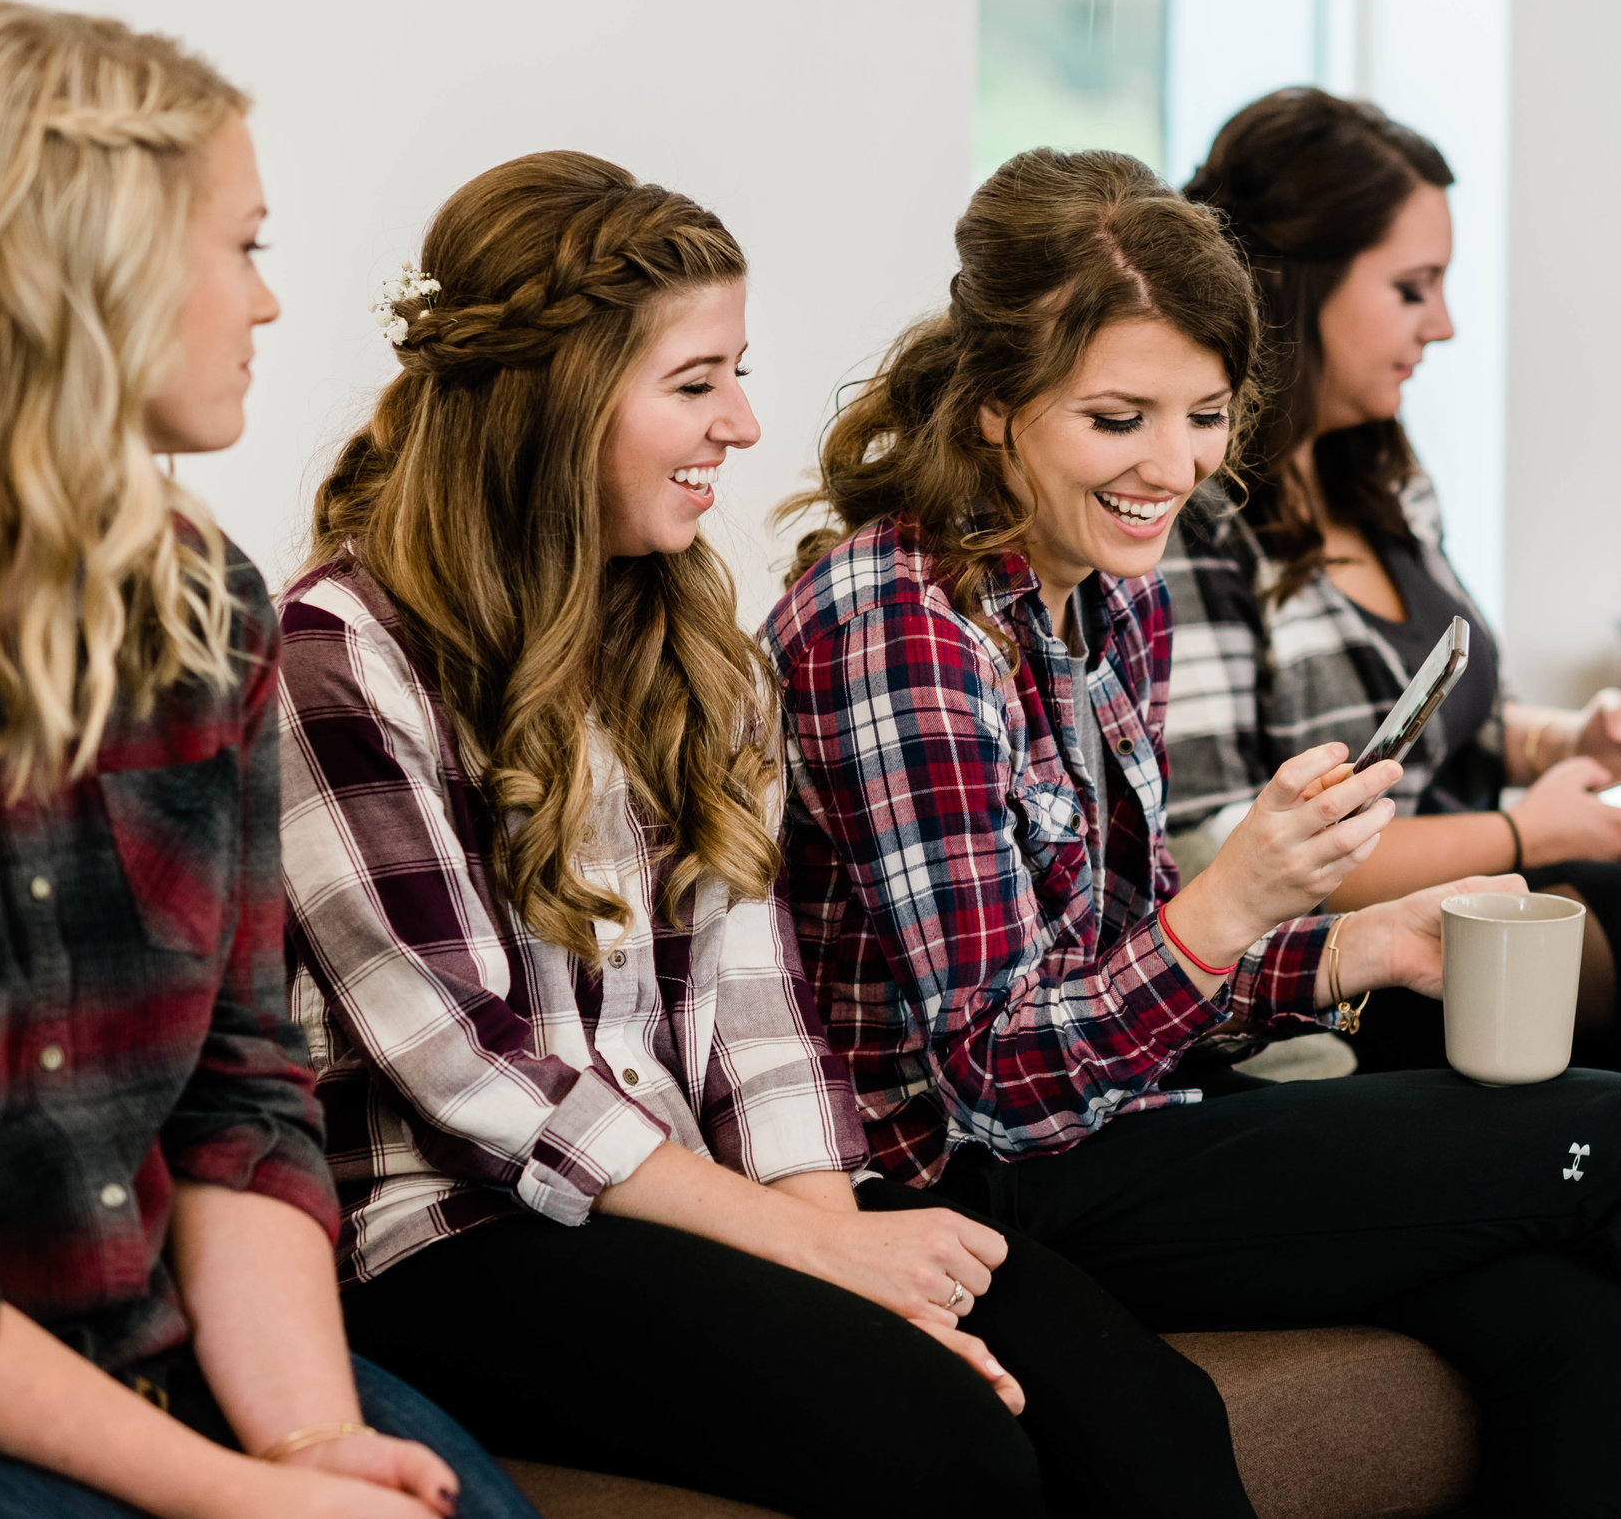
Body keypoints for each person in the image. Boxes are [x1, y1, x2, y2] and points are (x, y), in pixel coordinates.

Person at [764, 146, 1621, 1519]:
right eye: (1117, 418)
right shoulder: (899, 629)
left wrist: (1346, 949)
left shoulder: (1105, 588)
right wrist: (1233, 903)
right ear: (994, 407)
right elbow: (997, 1074)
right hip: (979, 1172)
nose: (1173, 465)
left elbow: (1120, 965)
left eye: (1204, 414)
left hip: (1120, 1113)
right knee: (1615, 1135)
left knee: (1561, 1316)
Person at [279, 150, 1257, 1519]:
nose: (744, 422)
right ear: (549, 402)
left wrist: (838, 1230)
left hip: (702, 1194)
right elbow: (472, 1072)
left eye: (738, 370)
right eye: (697, 382)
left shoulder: (696, 649)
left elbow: (758, 1007)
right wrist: (811, 1251)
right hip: (463, 1228)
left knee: (1148, 1414)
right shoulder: (339, 653)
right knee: (950, 1444)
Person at [0, 1, 534, 1519]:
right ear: (82, 260)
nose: (271, 305)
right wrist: (233, 1496)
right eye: (242, 246)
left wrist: (302, 1442)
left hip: (153, 1339)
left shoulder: (201, 603)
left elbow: (239, 1085)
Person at [1163, 86, 1621, 1079]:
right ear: (1295, 288)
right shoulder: (1191, 522)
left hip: (1451, 917)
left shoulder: (1382, 476)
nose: (1444, 324)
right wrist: (1522, 828)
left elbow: (1448, 716)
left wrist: (1564, 741)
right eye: (1412, 289)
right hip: (1322, 972)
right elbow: (1215, 847)